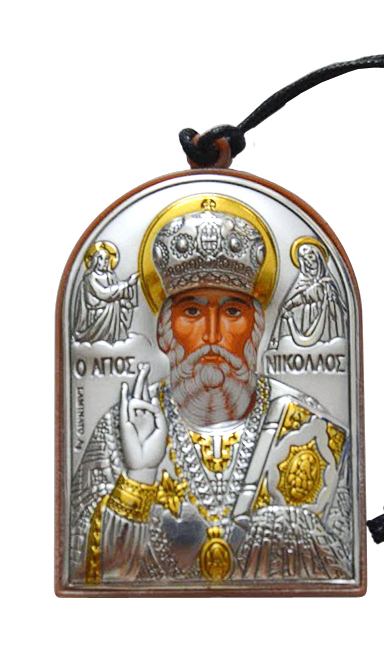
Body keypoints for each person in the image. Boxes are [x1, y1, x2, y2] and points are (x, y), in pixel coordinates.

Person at [70, 200, 352, 585]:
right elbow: (88, 573)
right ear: (164, 332)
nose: (213, 335)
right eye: (192, 312)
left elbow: (340, 564)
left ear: (257, 331)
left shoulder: (313, 430)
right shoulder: (117, 433)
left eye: (233, 312)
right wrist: (139, 476)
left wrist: (288, 531)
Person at [274, 242, 347, 347]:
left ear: (319, 258)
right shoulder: (300, 282)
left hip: (326, 323)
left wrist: (292, 303)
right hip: (306, 321)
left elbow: (309, 294)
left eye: (311, 257)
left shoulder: (327, 283)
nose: (308, 262)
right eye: (304, 259)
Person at [73, 246, 138, 344]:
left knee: (120, 304)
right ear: (96, 261)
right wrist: (127, 284)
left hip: (111, 309)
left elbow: (118, 290)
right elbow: (104, 293)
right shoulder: (90, 278)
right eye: (103, 259)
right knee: (113, 305)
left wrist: (130, 287)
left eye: (107, 259)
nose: (106, 262)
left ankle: (116, 338)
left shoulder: (110, 275)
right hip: (98, 311)